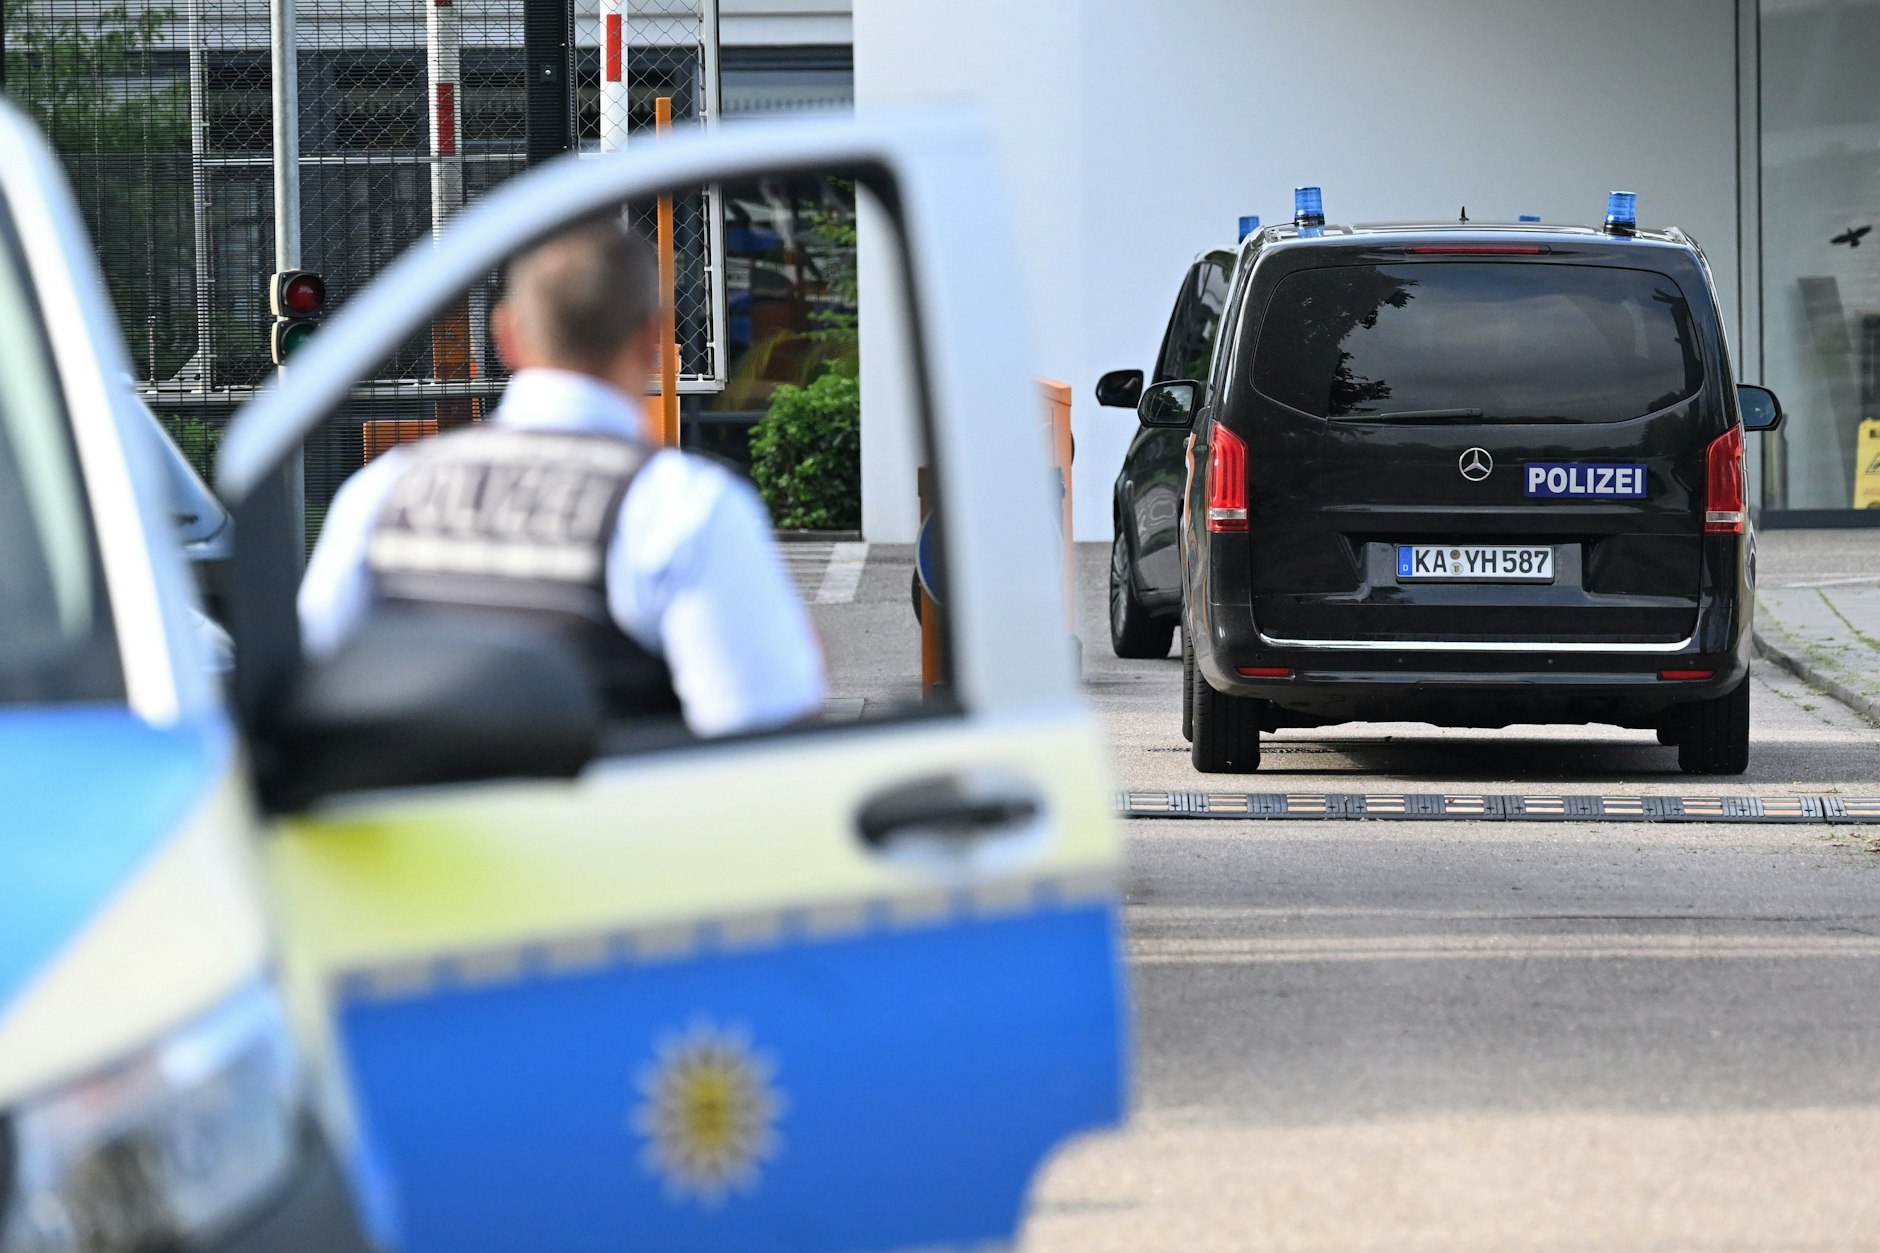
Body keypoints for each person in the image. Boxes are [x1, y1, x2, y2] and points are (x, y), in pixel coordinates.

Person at [299, 218, 826, 736]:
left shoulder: (383, 490)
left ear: (506, 334)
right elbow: (762, 735)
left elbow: (310, 683)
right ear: (651, 339)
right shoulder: (684, 507)